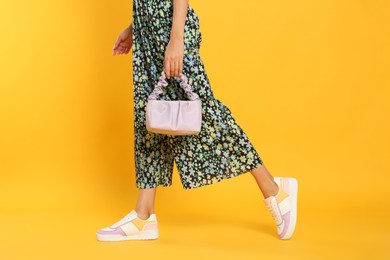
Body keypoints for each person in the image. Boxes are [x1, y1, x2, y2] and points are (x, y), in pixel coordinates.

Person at [96, 0, 298, 241]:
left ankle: (274, 189)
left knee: (204, 112)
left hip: (169, 28)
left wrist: (177, 38)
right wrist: (135, 27)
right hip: (148, 33)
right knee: (149, 116)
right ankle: (144, 215)